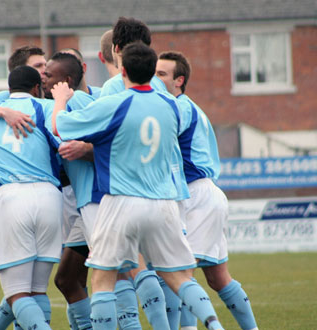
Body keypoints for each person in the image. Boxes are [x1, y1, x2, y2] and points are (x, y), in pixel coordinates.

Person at [51, 41, 225, 330]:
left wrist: (60, 100)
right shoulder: (172, 105)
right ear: (153, 74)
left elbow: (61, 126)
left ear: (123, 70)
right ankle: (215, 326)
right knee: (180, 277)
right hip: (164, 203)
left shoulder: (115, 103)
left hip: (122, 202)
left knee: (103, 278)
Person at [156, 51, 258, 330]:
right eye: (153, 73)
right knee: (217, 277)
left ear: (180, 80)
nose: (155, 78)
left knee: (177, 273)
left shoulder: (178, 107)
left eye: (162, 74)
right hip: (205, 194)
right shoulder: (190, 107)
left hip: (195, 195)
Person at [0, 65, 63, 330]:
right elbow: (62, 139)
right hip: (49, 197)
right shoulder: (45, 108)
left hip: (11, 198)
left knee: (17, 293)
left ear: (8, 89)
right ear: (37, 88)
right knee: (38, 290)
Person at [98, 16, 177, 330]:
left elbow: (100, 139)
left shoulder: (113, 89)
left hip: (126, 193)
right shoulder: (163, 91)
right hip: (164, 192)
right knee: (174, 272)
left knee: (113, 272)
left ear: (113, 52)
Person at [43, 51, 98, 330]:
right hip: (83, 203)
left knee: (118, 276)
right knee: (68, 278)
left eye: (48, 75)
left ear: (65, 81)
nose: (43, 77)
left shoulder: (73, 101)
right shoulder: (76, 100)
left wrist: (60, 102)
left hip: (94, 201)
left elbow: (58, 129)